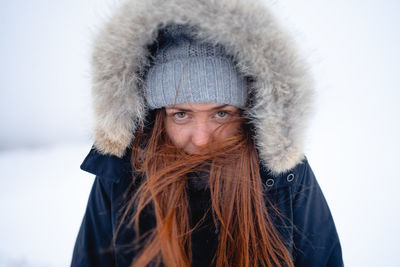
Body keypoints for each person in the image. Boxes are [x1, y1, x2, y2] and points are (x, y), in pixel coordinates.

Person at [71, 0, 343, 266]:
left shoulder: (283, 174)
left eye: (221, 114)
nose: (201, 138)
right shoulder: (122, 174)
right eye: (181, 115)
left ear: (247, 114)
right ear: (158, 119)